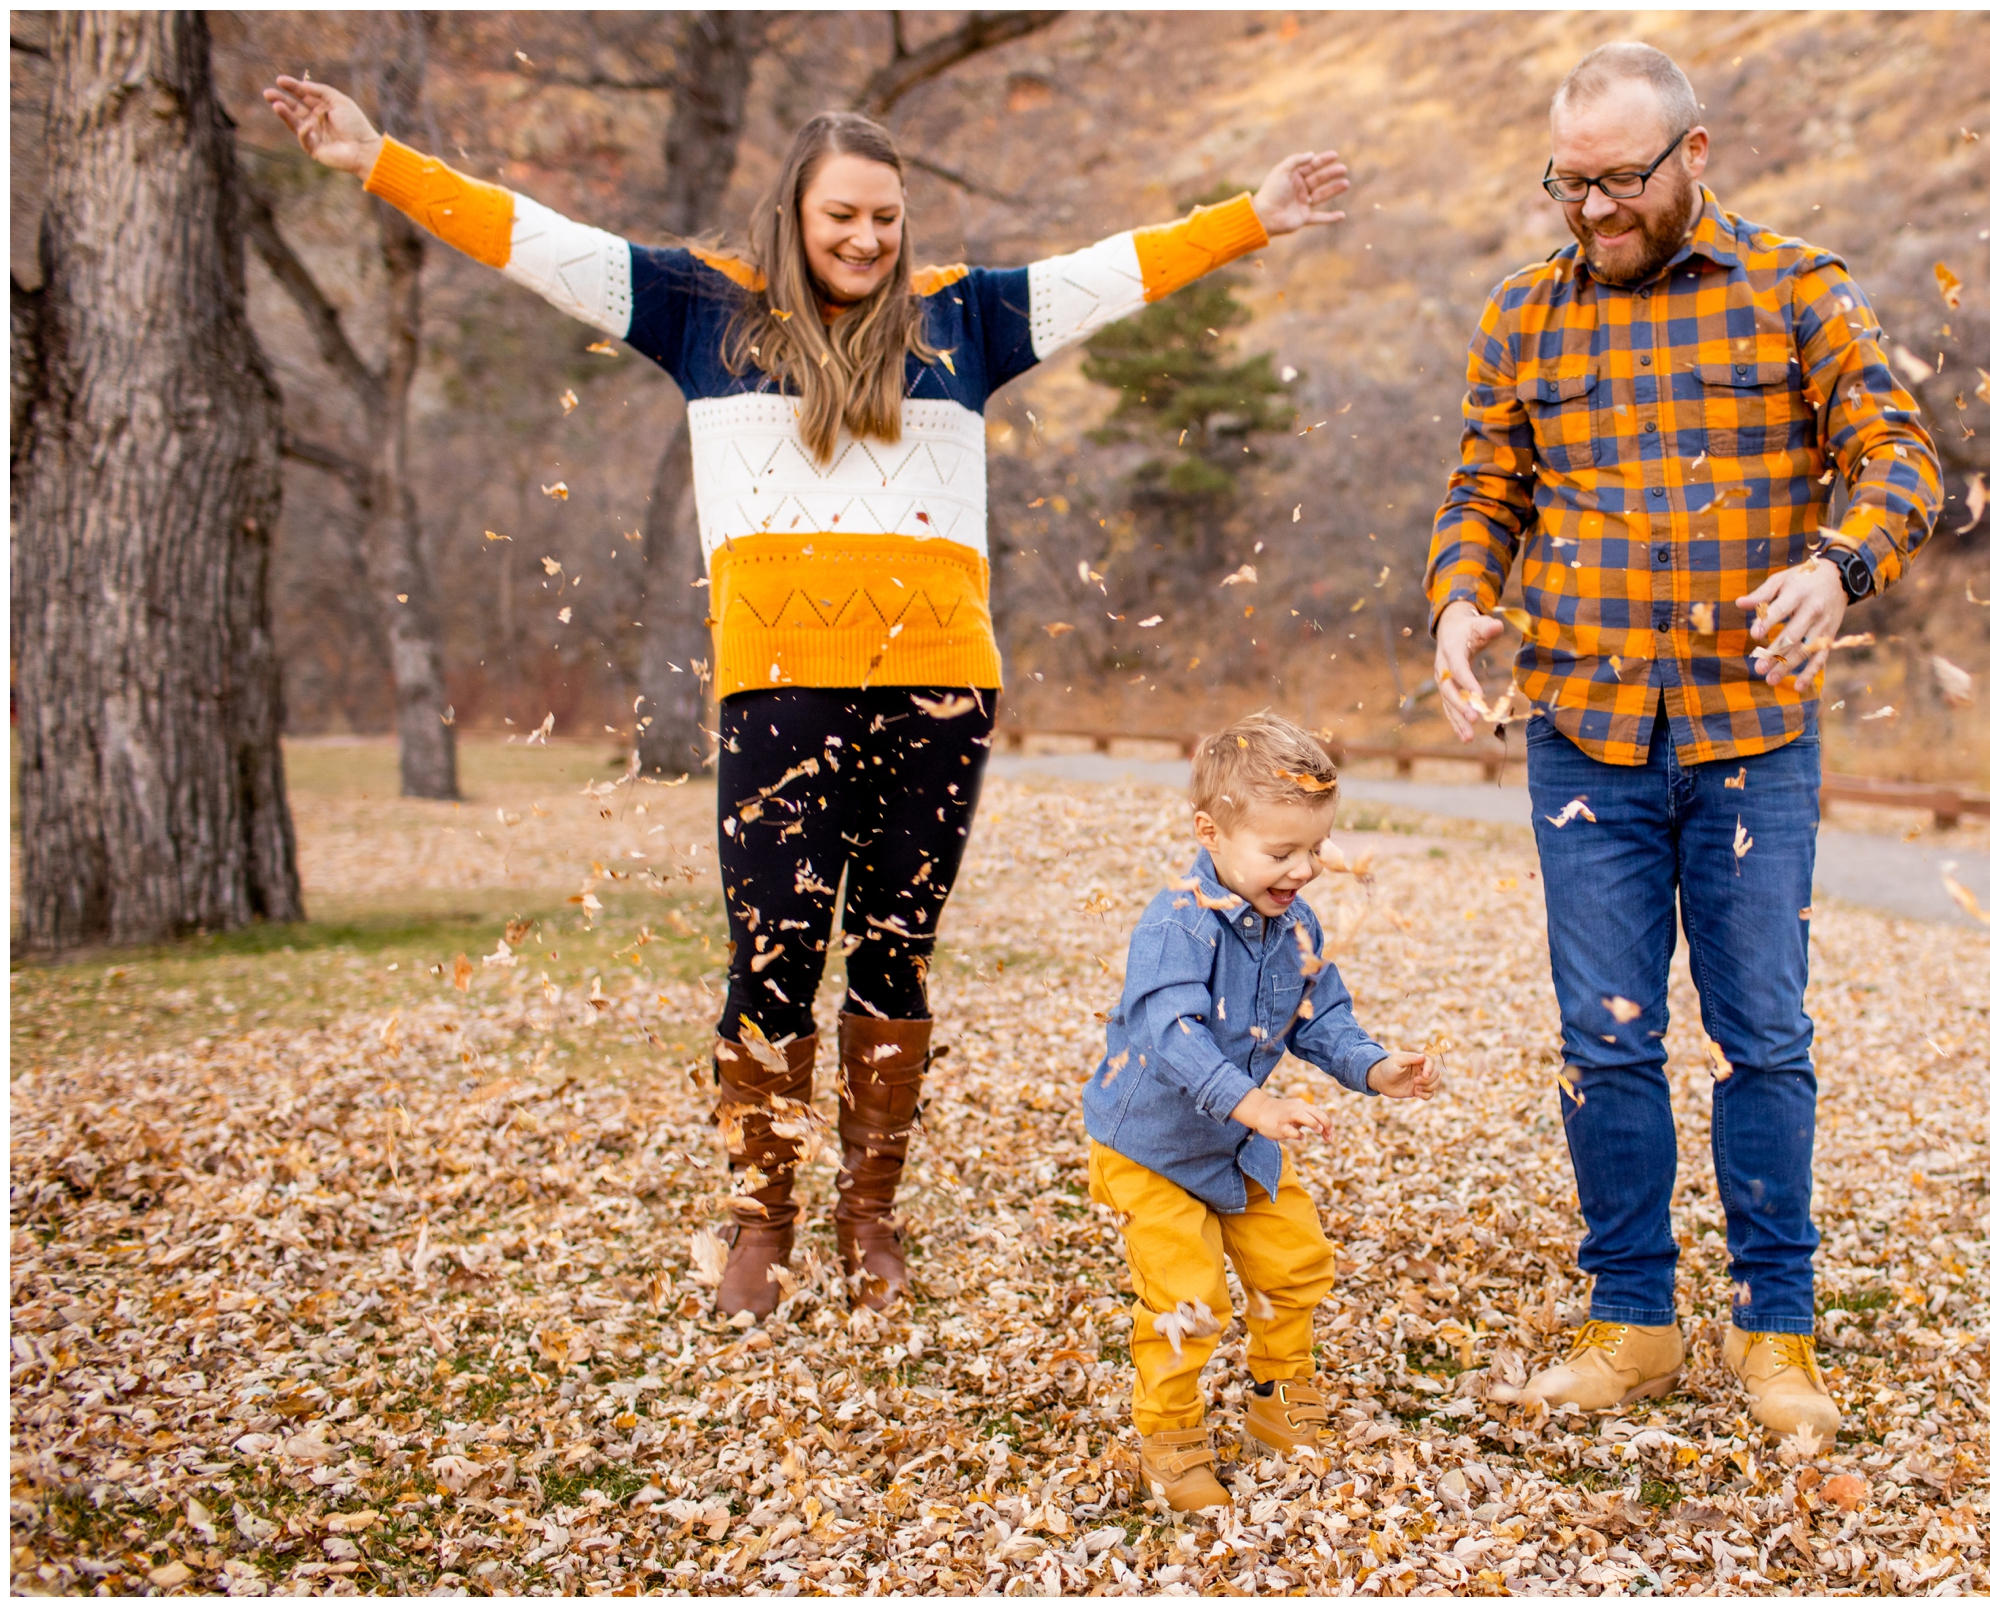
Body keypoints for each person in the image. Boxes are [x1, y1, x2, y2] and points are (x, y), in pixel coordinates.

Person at [265, 76, 1351, 1319]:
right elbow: (535, 239)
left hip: (940, 693)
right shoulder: (700, 311)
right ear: (796, 209)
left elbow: (1117, 270)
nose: (866, 241)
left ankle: (869, 1213)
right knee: (774, 952)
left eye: (886, 219)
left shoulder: (965, 321)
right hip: (779, 695)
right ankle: (761, 1219)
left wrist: (1252, 216)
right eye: (844, 216)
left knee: (896, 949)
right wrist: (376, 159)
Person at [1425, 42, 1941, 1439]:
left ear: (1693, 156)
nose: (1592, 210)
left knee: (1763, 1034)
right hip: (1584, 730)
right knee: (1605, 1038)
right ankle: (1634, 1321)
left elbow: (1899, 452)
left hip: (1749, 733)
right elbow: (1484, 484)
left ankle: (1778, 1329)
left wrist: (1838, 565)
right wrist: (1461, 598)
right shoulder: (1524, 312)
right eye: (1569, 182)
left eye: (1619, 180)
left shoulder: (1795, 288)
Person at [1082, 713, 1440, 1509]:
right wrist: (1253, 1102)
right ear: (1210, 832)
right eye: (1282, 853)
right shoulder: (1177, 921)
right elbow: (1168, 1034)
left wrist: (1376, 1067)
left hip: (1241, 1145)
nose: (1304, 870)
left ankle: (1279, 1403)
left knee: (1295, 1260)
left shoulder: (1294, 922)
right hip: (1155, 1147)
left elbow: (1322, 1018)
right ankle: (1170, 1436)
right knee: (1189, 1294)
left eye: (1314, 849)